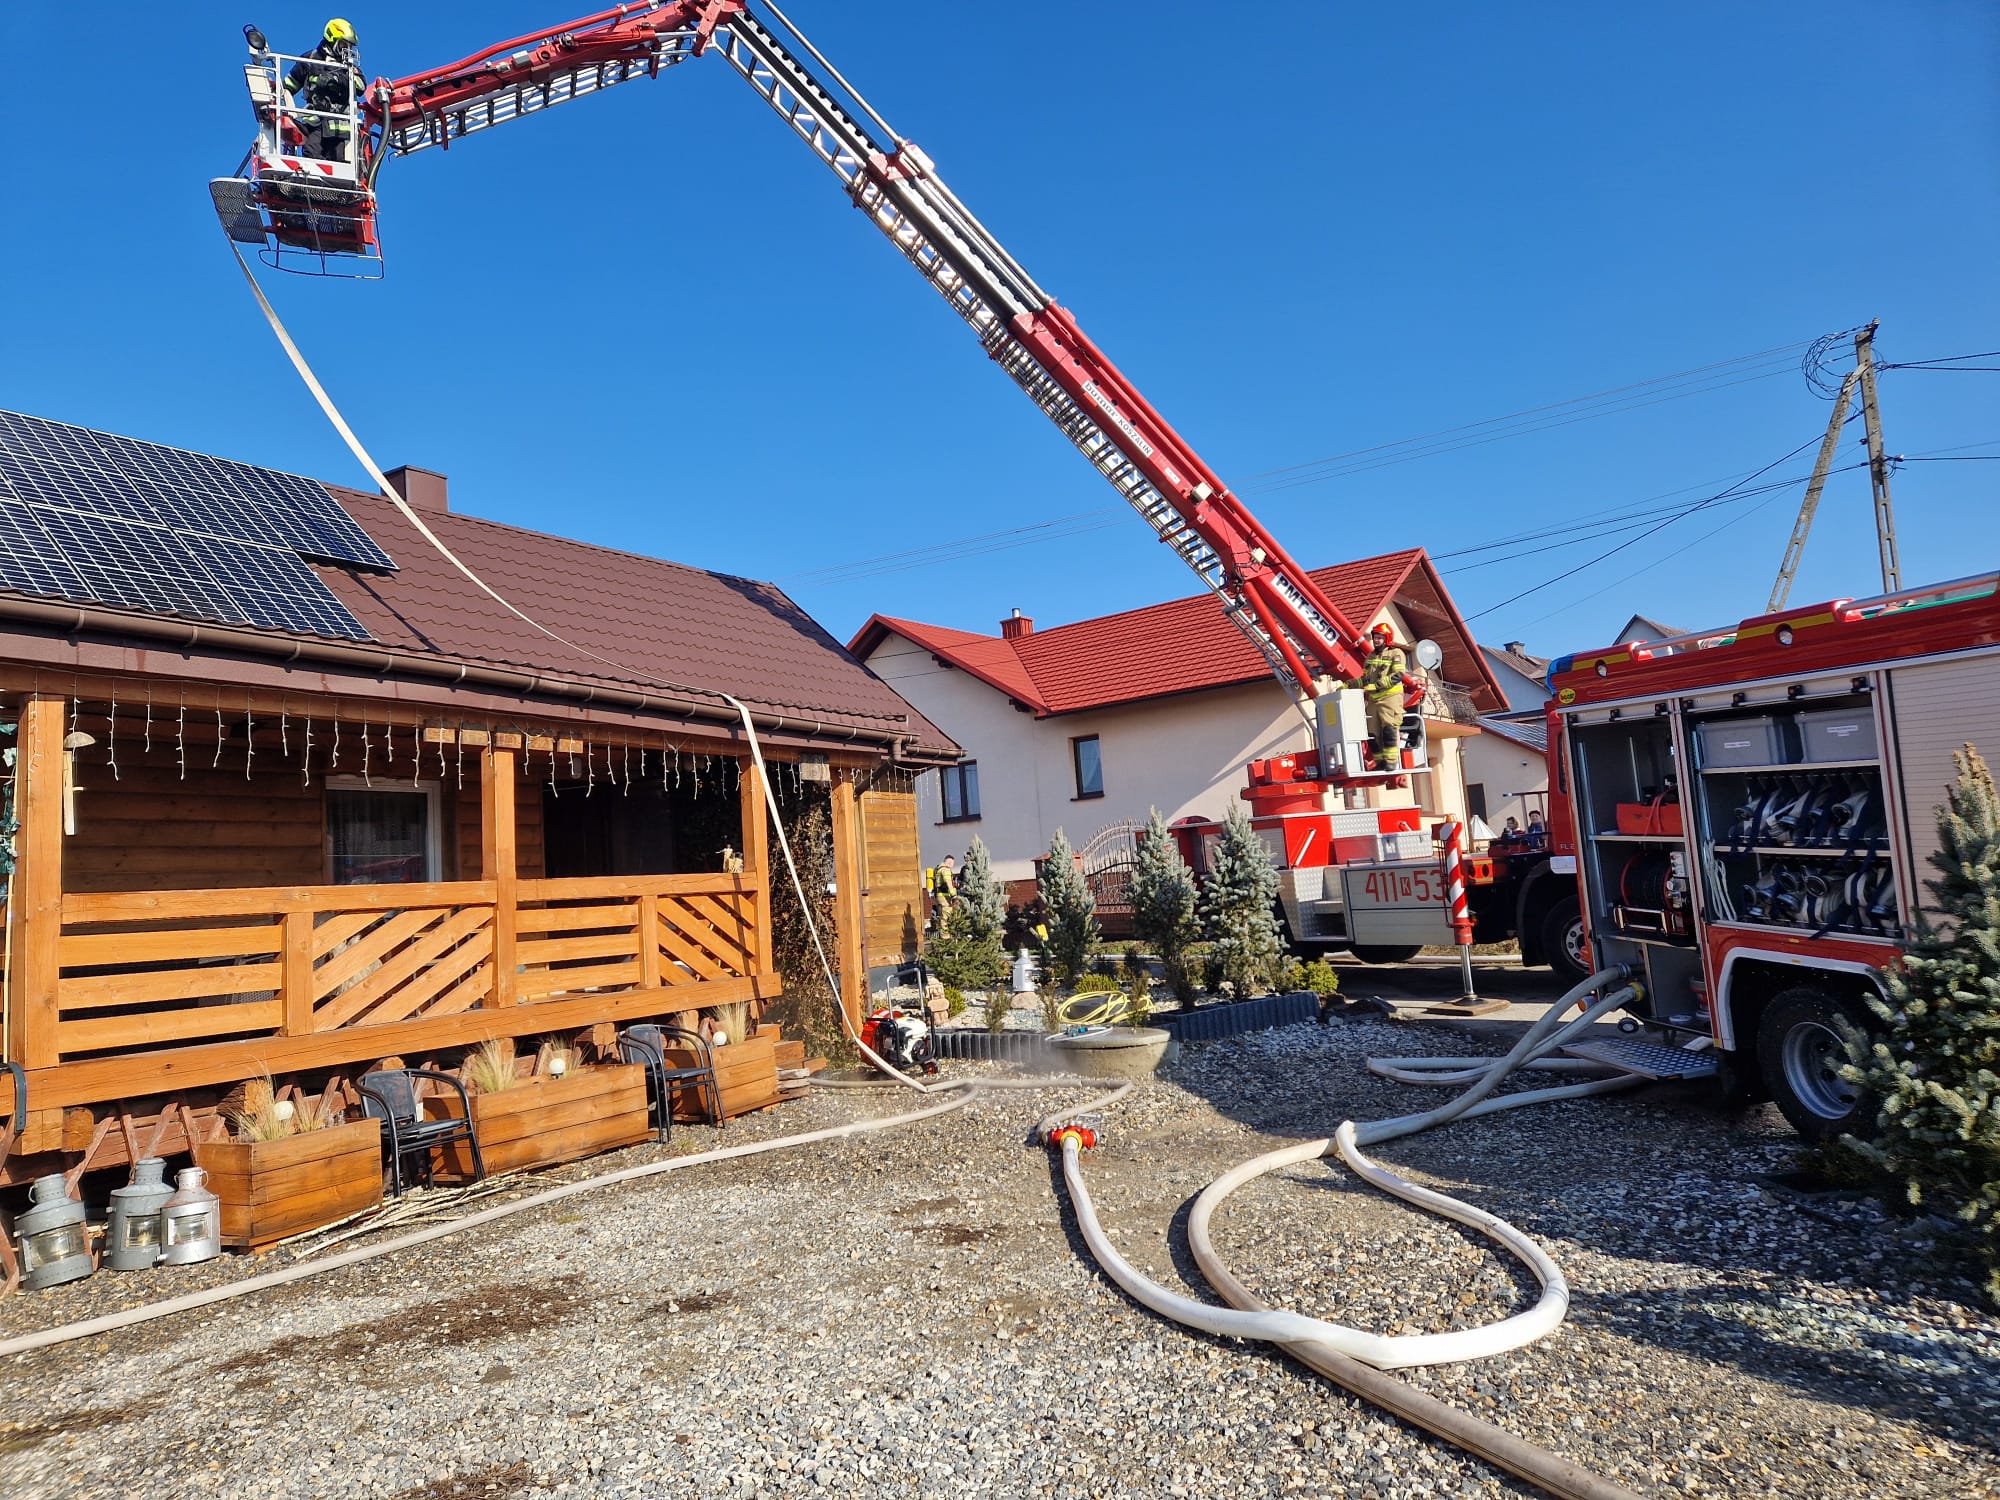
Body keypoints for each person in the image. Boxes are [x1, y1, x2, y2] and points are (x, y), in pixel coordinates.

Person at [287, 19, 367, 163]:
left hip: (340, 128)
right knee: (311, 158)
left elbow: (361, 86)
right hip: (314, 122)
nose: (347, 50)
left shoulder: (349, 66)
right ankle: (309, 185)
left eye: (349, 46)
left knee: (340, 165)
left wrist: (336, 79)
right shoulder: (310, 59)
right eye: (343, 44)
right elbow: (288, 86)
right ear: (332, 40)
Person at [1354, 623, 1409, 773]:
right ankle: (1379, 762)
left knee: (1388, 729)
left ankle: (1391, 762)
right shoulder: (1371, 656)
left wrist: (1376, 685)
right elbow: (1365, 678)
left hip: (1390, 697)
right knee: (1371, 732)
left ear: (1387, 638)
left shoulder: (1396, 653)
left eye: (1379, 638)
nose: (1376, 640)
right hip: (1373, 700)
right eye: (1375, 638)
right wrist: (1350, 684)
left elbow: (1398, 675)